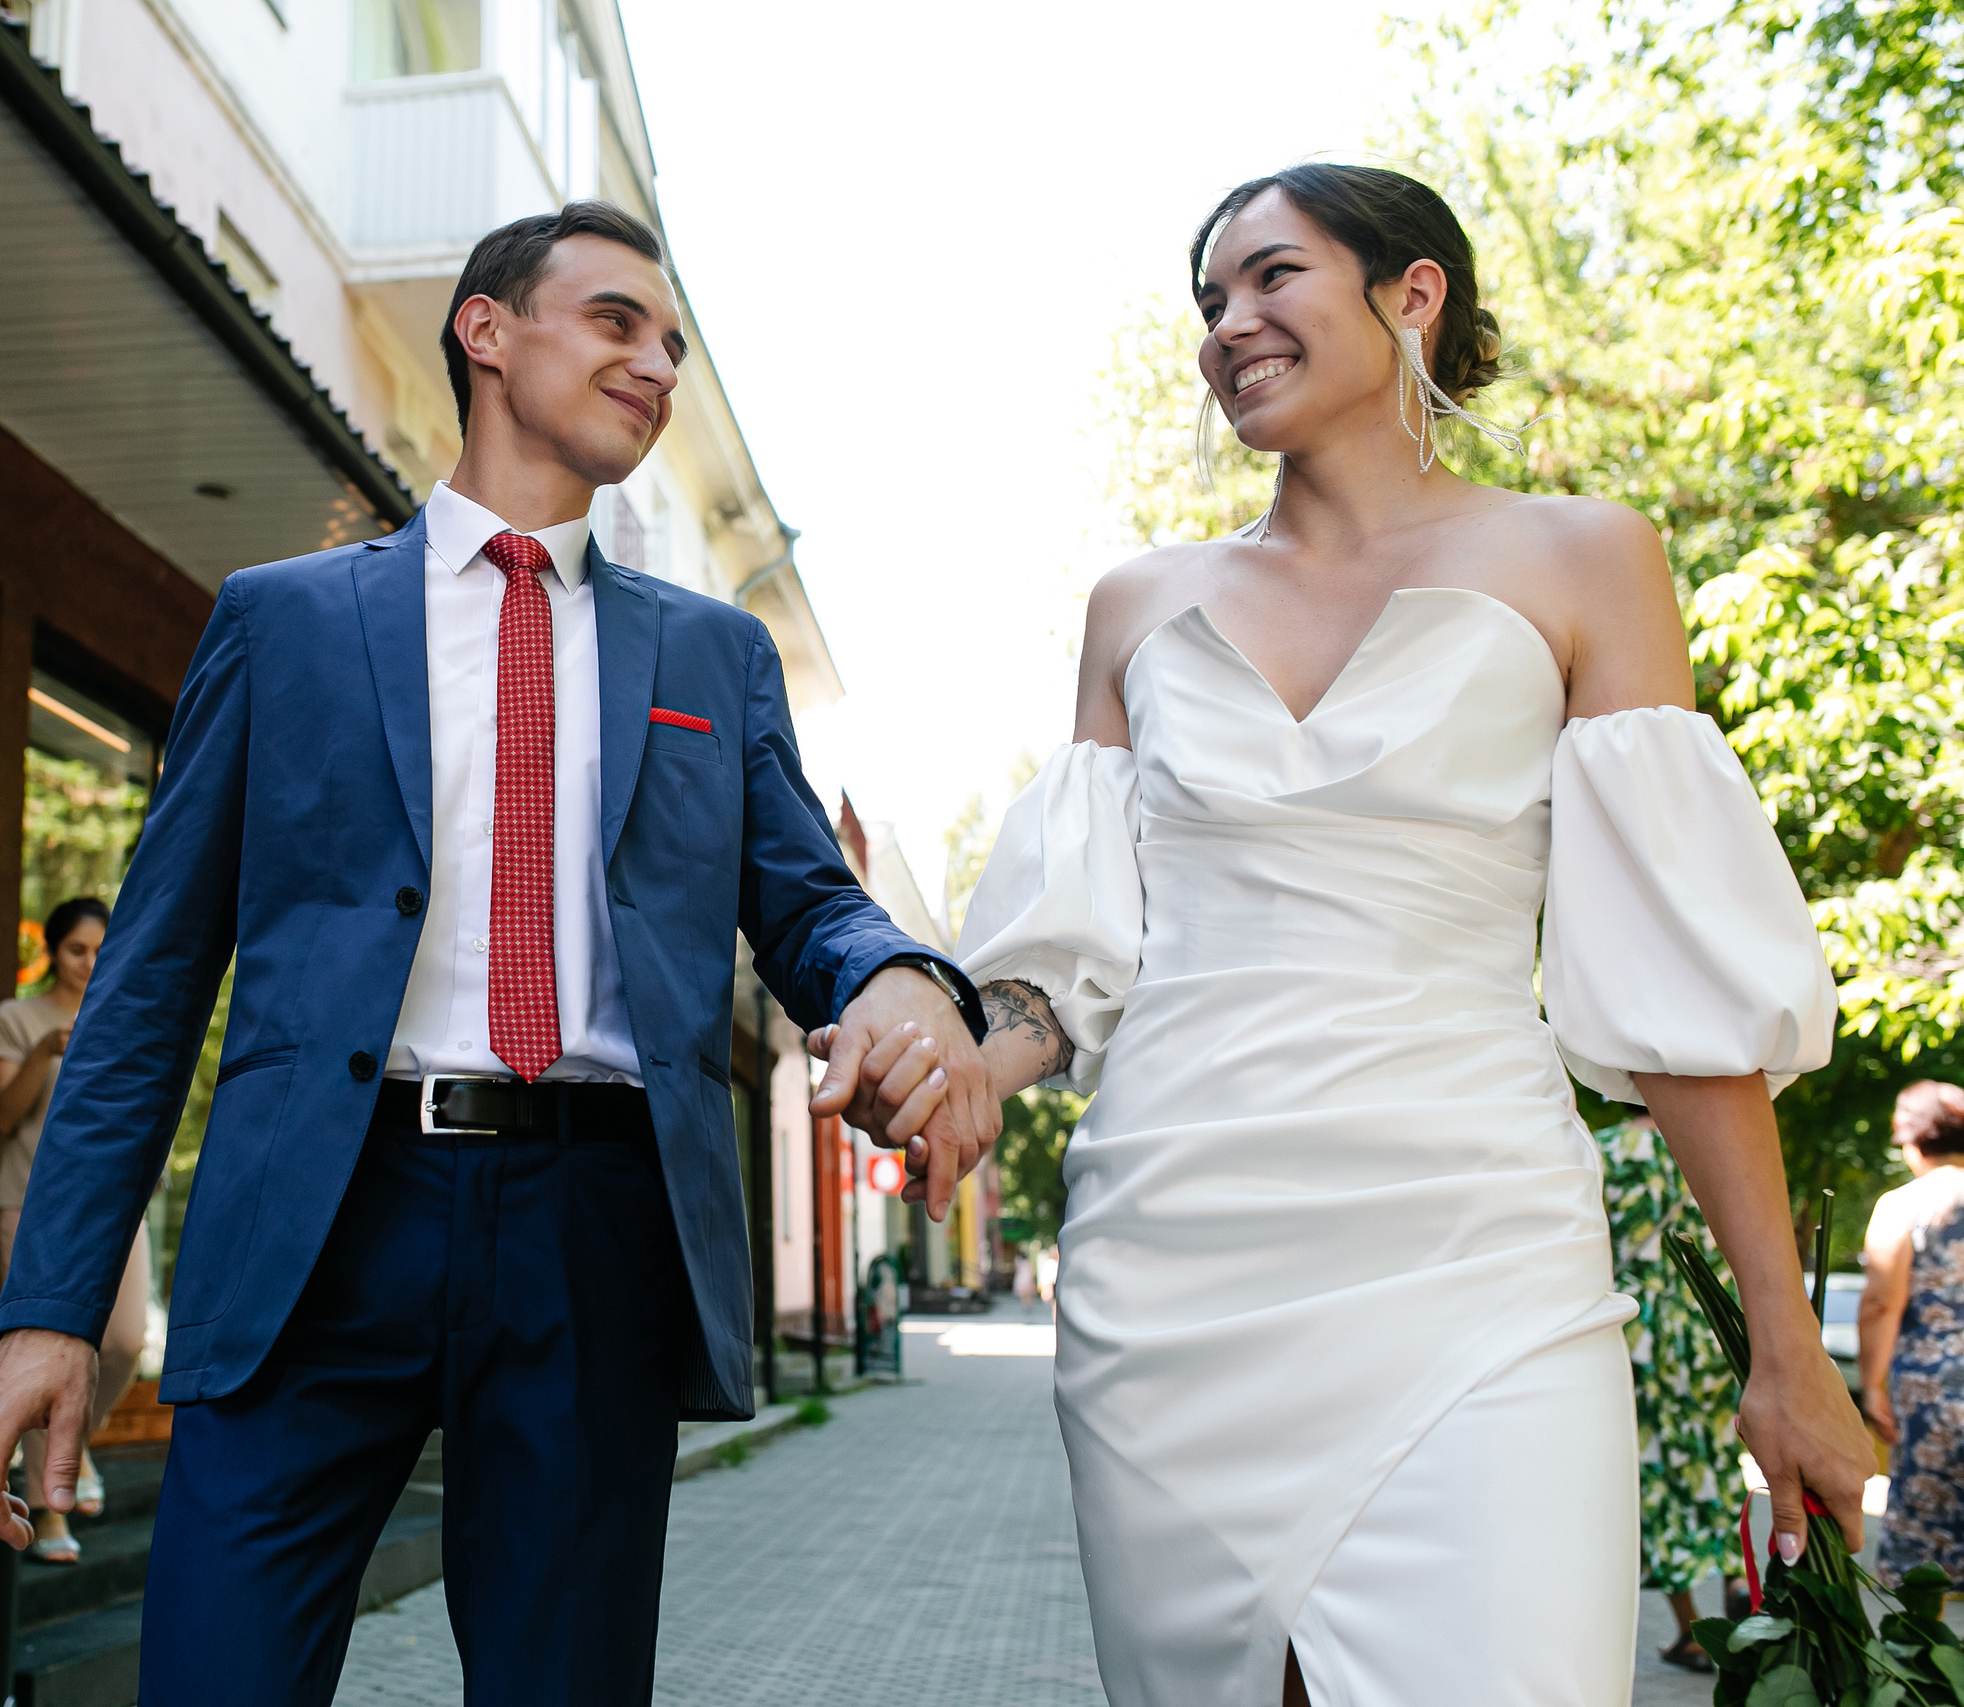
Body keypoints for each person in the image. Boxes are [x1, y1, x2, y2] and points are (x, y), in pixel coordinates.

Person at [831, 164, 1868, 1704]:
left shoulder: (1587, 558)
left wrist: (1787, 1349)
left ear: (1413, 292)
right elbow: (1071, 968)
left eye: (1269, 277)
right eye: (1209, 301)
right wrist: (957, 1054)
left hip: (1480, 1253)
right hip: (1177, 1265)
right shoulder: (1137, 604)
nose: (1229, 325)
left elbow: (1680, 997)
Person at [0, 200, 993, 1706]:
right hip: (320, 1219)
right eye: (617, 321)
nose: (656, 364)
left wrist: (897, 972)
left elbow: (810, 902)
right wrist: (50, 1307)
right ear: (486, 331)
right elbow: (150, 983)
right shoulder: (282, 623)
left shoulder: (712, 656)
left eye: (675, 344)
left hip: (593, 1222)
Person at [0, 896, 152, 1565]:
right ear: (53, 950)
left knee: (124, 1341)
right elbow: (2, 1117)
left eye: (98, 950)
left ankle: (73, 1442)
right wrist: (45, 1052)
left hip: (117, 1206)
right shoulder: (17, 1017)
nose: (87, 962)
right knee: (37, 1355)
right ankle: (50, 1517)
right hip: (31, 1208)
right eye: (76, 949)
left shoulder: (122, 1014)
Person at [1596, 1114, 1749, 1672]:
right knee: (1717, 1460)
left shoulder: (1605, 1150)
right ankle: (1737, 1578)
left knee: (1655, 1475)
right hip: (1706, 1324)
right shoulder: (1716, 1138)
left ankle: (1691, 1629)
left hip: (1638, 1328)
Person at [1859, 1080, 1964, 1586]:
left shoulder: (1903, 1204)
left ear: (1913, 1140)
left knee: (1923, 1552)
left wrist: (1872, 1385)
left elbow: (1881, 1302)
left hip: (1932, 1392)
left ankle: (1929, 1659)